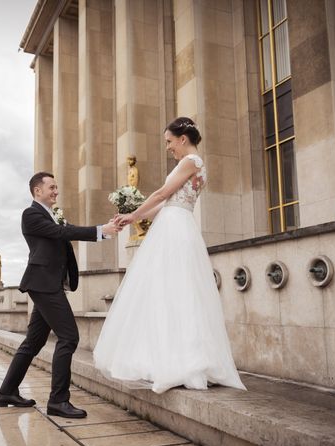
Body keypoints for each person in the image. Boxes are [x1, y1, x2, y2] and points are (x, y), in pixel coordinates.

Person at [93, 117, 246, 394]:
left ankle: (187, 362)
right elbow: (167, 203)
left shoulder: (192, 162)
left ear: (183, 139)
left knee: (179, 290)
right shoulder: (188, 165)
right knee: (168, 291)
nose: (167, 147)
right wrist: (133, 220)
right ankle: (167, 358)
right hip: (173, 222)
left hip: (177, 228)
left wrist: (134, 213)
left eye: (169, 141)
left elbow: (163, 193)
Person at [0, 171, 120, 419]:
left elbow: (64, 232)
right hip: (43, 284)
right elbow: (63, 233)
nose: (56, 191)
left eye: (56, 187)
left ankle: (6, 392)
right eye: (51, 187)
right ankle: (58, 401)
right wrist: (100, 230)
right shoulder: (31, 214)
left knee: (33, 342)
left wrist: (104, 231)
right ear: (37, 191)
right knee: (69, 337)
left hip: (47, 283)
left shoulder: (51, 215)